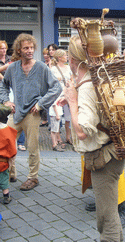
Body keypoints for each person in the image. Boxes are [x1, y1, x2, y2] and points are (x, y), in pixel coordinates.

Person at [58, 35, 125, 241]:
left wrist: (72, 101)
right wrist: (72, 95)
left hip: (104, 160)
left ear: (73, 59)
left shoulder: (87, 86)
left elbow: (82, 131)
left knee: (106, 218)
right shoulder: (94, 77)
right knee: (109, 212)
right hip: (112, 154)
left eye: (69, 56)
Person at [0, 33, 62, 190]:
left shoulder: (41, 67)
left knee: (33, 148)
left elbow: (56, 87)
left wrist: (41, 104)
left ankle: (33, 178)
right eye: (26, 48)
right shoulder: (13, 67)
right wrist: (6, 100)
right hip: (15, 113)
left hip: (32, 114)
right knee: (5, 143)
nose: (29, 50)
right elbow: (4, 85)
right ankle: (10, 174)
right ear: (19, 50)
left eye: (32, 47)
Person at [51, 49, 72, 145]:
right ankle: (58, 137)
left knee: (69, 116)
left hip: (67, 93)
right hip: (58, 94)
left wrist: (70, 84)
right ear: (59, 57)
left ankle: (68, 137)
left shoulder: (68, 68)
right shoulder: (53, 69)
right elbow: (51, 82)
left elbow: (72, 79)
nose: (66, 57)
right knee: (58, 115)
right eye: (65, 55)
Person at [0, 104, 17, 204]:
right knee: (4, 178)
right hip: (2, 162)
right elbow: (12, 149)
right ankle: (6, 196)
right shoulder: (8, 131)